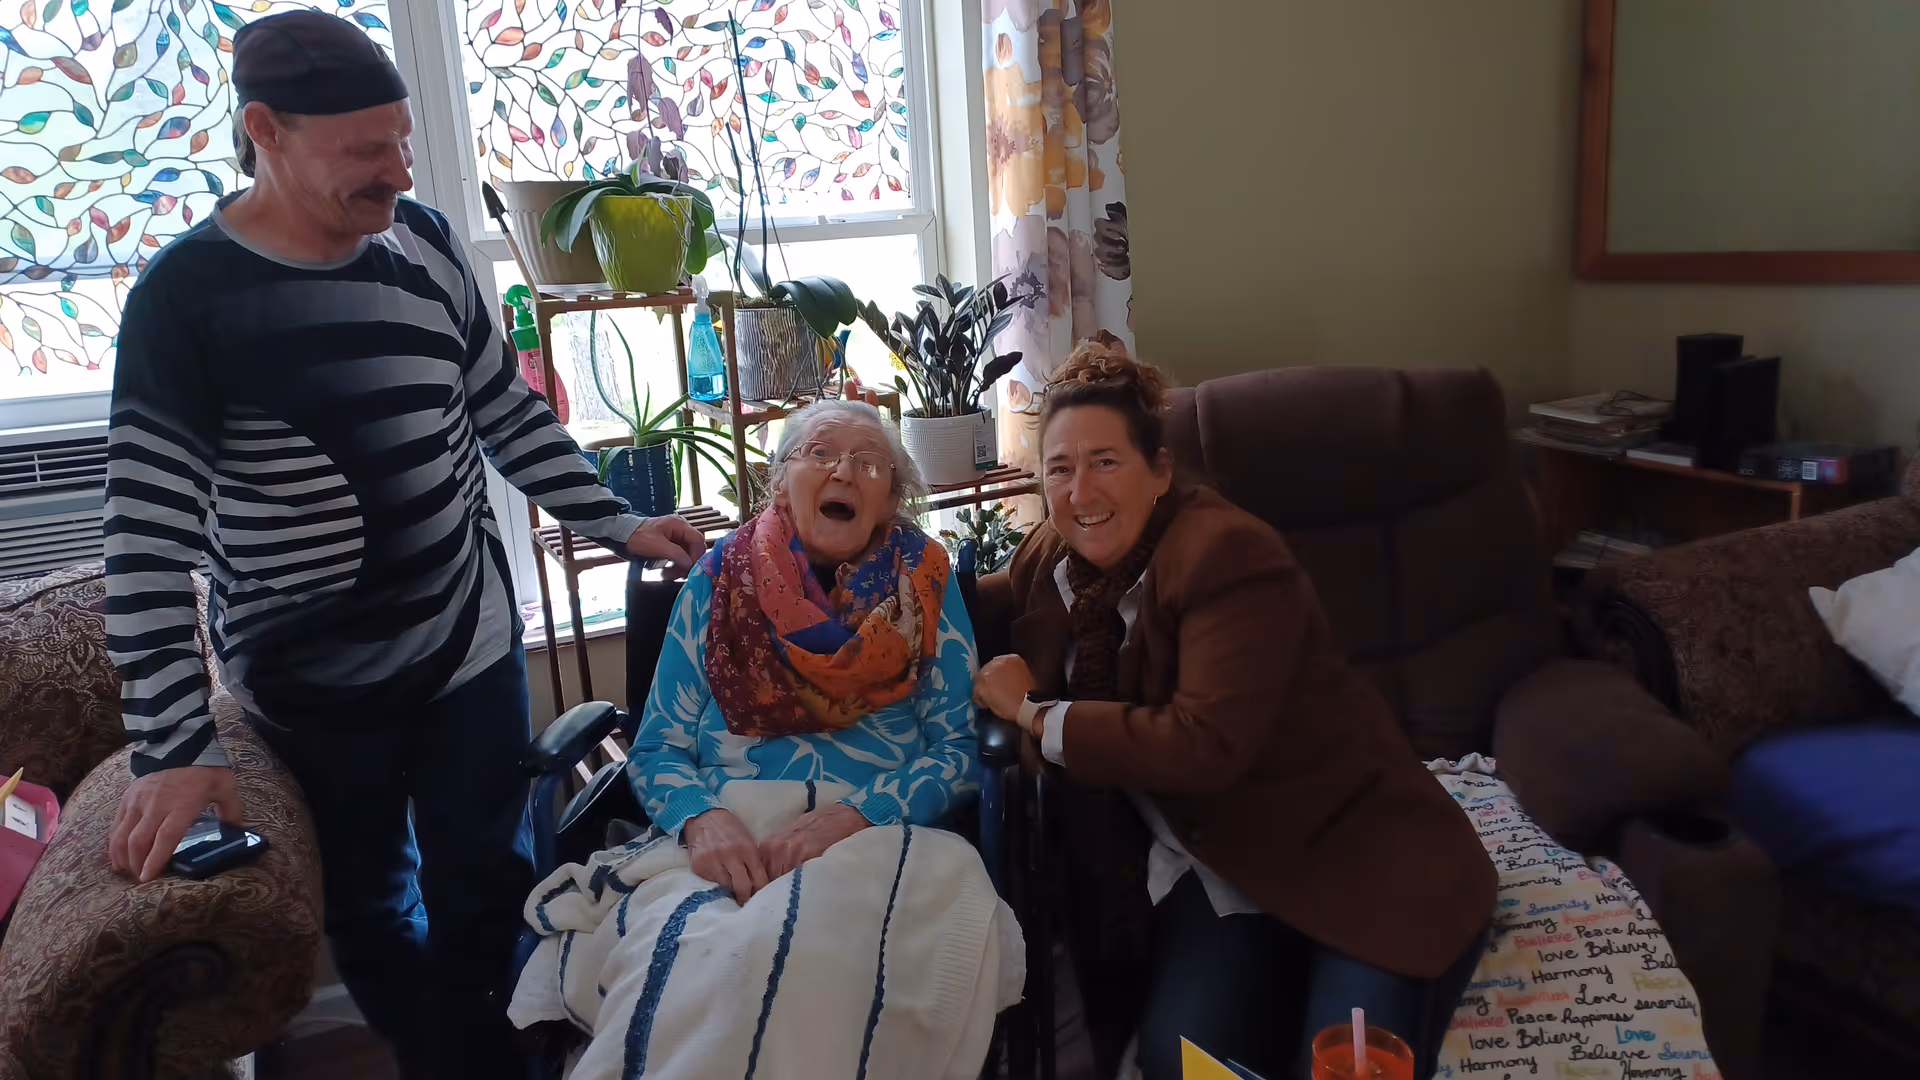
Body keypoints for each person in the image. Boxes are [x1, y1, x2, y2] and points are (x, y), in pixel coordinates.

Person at [99, 12, 704, 1078]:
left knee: (491, 885)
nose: (398, 171)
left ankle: (498, 1059)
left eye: (404, 141)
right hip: (310, 683)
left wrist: (610, 515)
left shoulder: (423, 242)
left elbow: (501, 412)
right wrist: (175, 747)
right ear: (266, 133)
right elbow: (145, 540)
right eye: (367, 151)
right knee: (374, 909)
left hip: (464, 647)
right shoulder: (185, 301)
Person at [972, 337, 1495, 1080]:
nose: (1080, 491)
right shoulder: (1056, 559)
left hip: (1354, 860)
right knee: (1184, 1064)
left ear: (1160, 472)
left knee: (1344, 1067)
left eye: (1106, 462)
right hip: (1224, 873)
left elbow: (1202, 743)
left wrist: (1033, 714)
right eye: (1059, 468)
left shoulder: (1226, 555)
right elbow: (972, 602)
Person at [627, 399, 977, 896]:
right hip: (730, 834)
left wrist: (858, 815)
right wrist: (700, 818)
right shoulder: (717, 582)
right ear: (781, 486)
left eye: (870, 462)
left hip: (878, 835)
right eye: (820, 452)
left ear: (890, 501)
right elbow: (657, 747)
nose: (843, 472)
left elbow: (962, 748)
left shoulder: (924, 586)